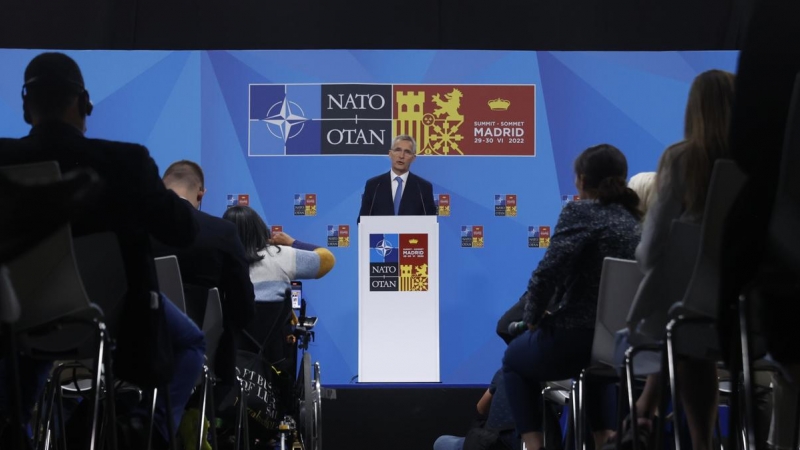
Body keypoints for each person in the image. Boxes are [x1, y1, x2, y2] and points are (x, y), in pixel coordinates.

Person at [0, 52, 204, 449]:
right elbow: (183, 230)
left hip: (19, 318)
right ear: (84, 103)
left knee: (27, 330)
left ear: (26, 106)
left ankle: (14, 425)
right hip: (115, 321)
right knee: (190, 342)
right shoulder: (127, 163)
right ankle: (149, 430)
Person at [622, 69, 736, 450]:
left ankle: (649, 413)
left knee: (682, 324)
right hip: (756, 315)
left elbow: (651, 249)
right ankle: (653, 414)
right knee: (686, 330)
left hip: (694, 318)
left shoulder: (682, 160)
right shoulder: (762, 164)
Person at [503, 144, 642, 450]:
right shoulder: (635, 222)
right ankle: (605, 439)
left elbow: (547, 273)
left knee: (513, 359)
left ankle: (534, 447)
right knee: (597, 362)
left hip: (575, 337)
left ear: (580, 179)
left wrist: (533, 319)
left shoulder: (581, 212)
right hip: (619, 345)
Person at [151, 160, 255, 403]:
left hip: (133, 356)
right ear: (201, 193)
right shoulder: (222, 232)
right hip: (203, 364)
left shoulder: (131, 229)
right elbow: (244, 309)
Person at [221, 205, 335, 364]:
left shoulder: (217, 260)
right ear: (260, 228)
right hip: (275, 358)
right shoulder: (281, 256)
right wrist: (293, 243)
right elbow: (327, 259)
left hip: (227, 358)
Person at [357, 135, 437, 219]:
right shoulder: (374, 185)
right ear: (390, 154)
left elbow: (430, 222)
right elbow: (362, 221)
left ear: (413, 158)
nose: (401, 156)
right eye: (398, 150)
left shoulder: (423, 187)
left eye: (407, 152)